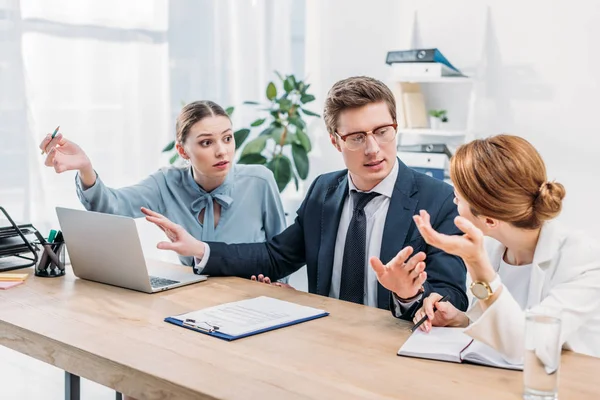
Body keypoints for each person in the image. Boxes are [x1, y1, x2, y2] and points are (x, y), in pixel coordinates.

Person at [142, 76, 469, 319]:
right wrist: (200, 249)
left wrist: (410, 295)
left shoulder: (438, 199)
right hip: (322, 341)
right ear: (335, 141)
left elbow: (453, 295)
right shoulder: (324, 191)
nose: (372, 148)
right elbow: (275, 257)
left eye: (382, 131)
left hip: (394, 350)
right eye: (356, 137)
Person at [411, 134, 600, 361]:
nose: (453, 203)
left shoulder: (582, 260)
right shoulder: (495, 248)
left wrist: (476, 264)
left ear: (490, 221)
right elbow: (501, 318)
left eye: (457, 198)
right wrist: (461, 319)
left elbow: (526, 345)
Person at [39, 100, 287, 268]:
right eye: (206, 143)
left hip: (253, 302)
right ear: (182, 150)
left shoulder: (260, 182)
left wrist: (280, 289)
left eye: (228, 138)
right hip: (195, 304)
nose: (223, 151)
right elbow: (111, 207)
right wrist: (85, 168)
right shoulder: (166, 184)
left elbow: (282, 254)